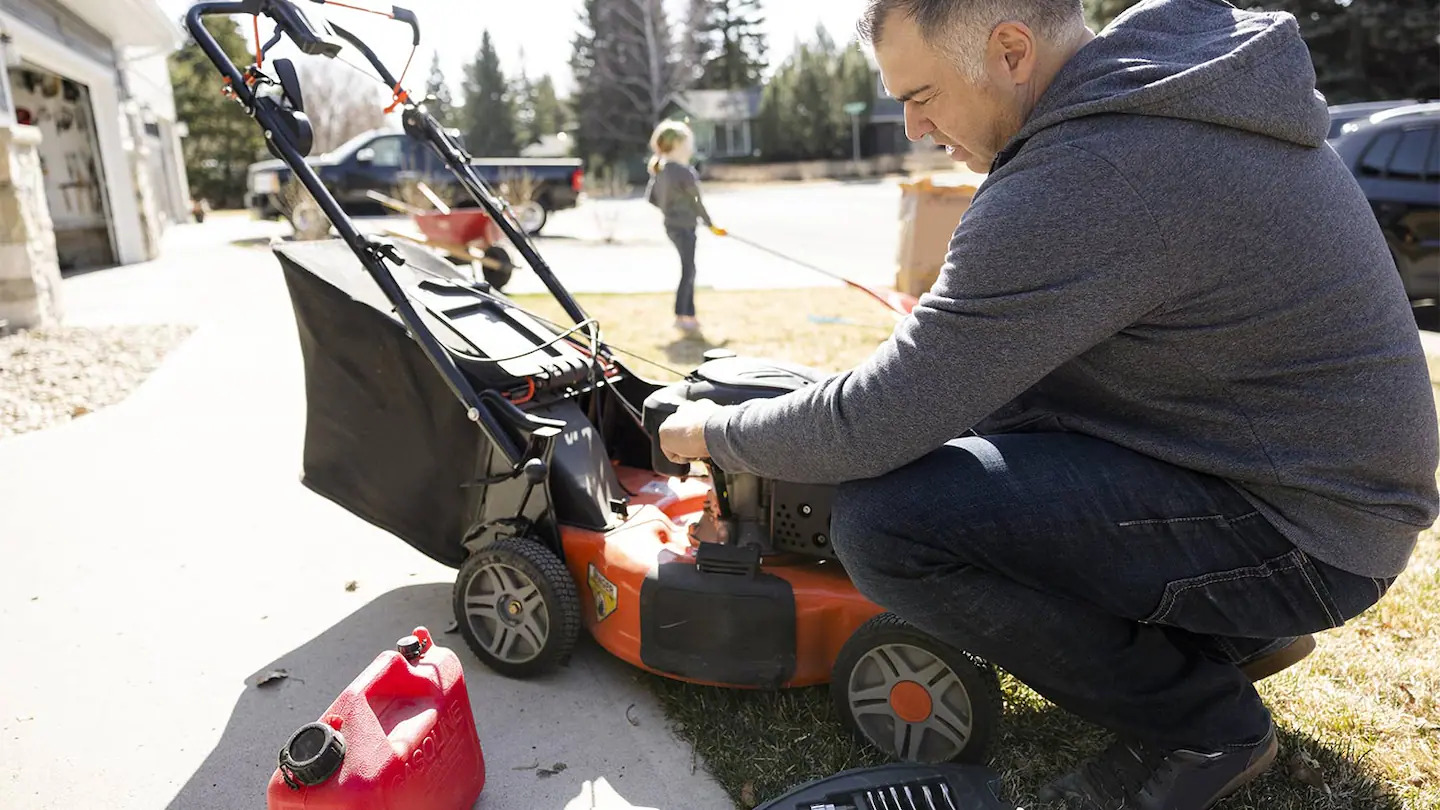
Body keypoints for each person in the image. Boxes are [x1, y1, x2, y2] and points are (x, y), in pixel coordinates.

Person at [657, 0, 1440, 807]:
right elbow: (948, 394)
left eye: (921, 94)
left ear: (1009, 50)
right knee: (986, 425)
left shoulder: (1094, 174)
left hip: (1307, 532)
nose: (915, 126)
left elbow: (878, 420)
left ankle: (1203, 720)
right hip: (1309, 481)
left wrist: (712, 432)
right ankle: (1218, 636)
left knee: (888, 527)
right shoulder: (1152, 87)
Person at [645, 120, 725, 334]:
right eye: (688, 144)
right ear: (678, 145)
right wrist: (712, 226)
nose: (691, 148)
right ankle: (684, 315)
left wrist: (670, 209)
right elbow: (697, 203)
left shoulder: (660, 171)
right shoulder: (683, 172)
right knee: (689, 270)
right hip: (685, 228)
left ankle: (687, 314)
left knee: (688, 269)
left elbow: (651, 198)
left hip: (671, 226)